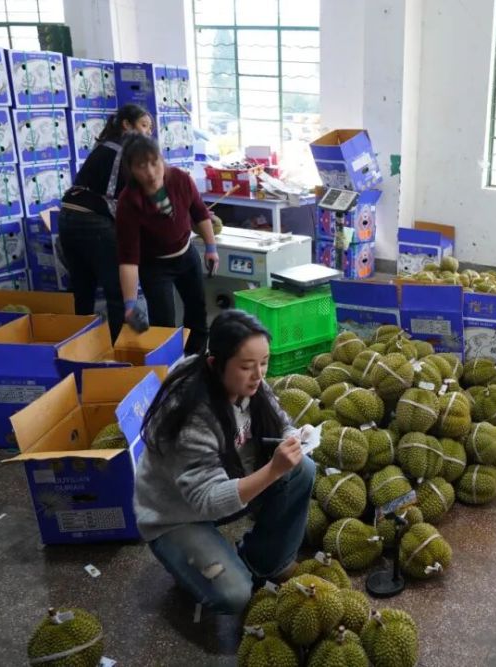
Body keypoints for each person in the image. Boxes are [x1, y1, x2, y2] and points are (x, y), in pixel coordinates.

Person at [133, 310, 315, 614]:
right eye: (247, 366)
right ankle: (188, 564)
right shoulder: (190, 415)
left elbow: (278, 419)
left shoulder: (248, 382)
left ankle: (266, 562)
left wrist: (293, 437)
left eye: (264, 362)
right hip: (177, 513)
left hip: (230, 481)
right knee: (234, 595)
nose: (259, 375)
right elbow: (207, 500)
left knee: (302, 469)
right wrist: (273, 470)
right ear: (214, 364)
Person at [116, 134, 219, 355]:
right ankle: (170, 368)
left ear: (162, 160)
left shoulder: (180, 179)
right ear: (131, 170)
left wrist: (211, 248)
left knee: (197, 313)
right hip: (154, 266)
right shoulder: (128, 202)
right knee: (164, 323)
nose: (151, 172)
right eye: (141, 166)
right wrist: (130, 304)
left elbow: (200, 213)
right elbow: (129, 259)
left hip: (186, 254)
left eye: (155, 163)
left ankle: (195, 362)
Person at [58, 104, 152, 341]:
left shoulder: (105, 145)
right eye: (144, 125)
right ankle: (119, 349)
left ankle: (80, 348)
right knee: (117, 292)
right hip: (92, 221)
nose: (148, 132)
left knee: (82, 289)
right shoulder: (125, 150)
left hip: (67, 217)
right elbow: (128, 197)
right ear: (126, 125)